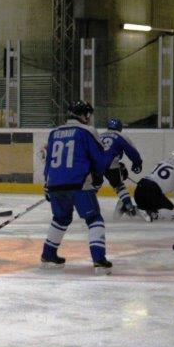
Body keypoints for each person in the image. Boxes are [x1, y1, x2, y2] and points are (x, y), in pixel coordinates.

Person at [41, 101, 113, 274]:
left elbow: (48, 162)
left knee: (60, 219)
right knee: (94, 219)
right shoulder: (87, 131)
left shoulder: (54, 133)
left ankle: (48, 255)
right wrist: (102, 174)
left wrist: (47, 185)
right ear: (85, 115)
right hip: (79, 185)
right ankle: (99, 260)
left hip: (55, 184)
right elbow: (99, 161)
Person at [100, 118, 143, 218]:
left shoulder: (100, 135)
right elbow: (131, 151)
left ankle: (89, 209)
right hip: (111, 165)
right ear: (120, 127)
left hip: (95, 164)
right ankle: (130, 208)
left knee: (93, 187)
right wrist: (137, 164)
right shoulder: (120, 136)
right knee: (119, 186)